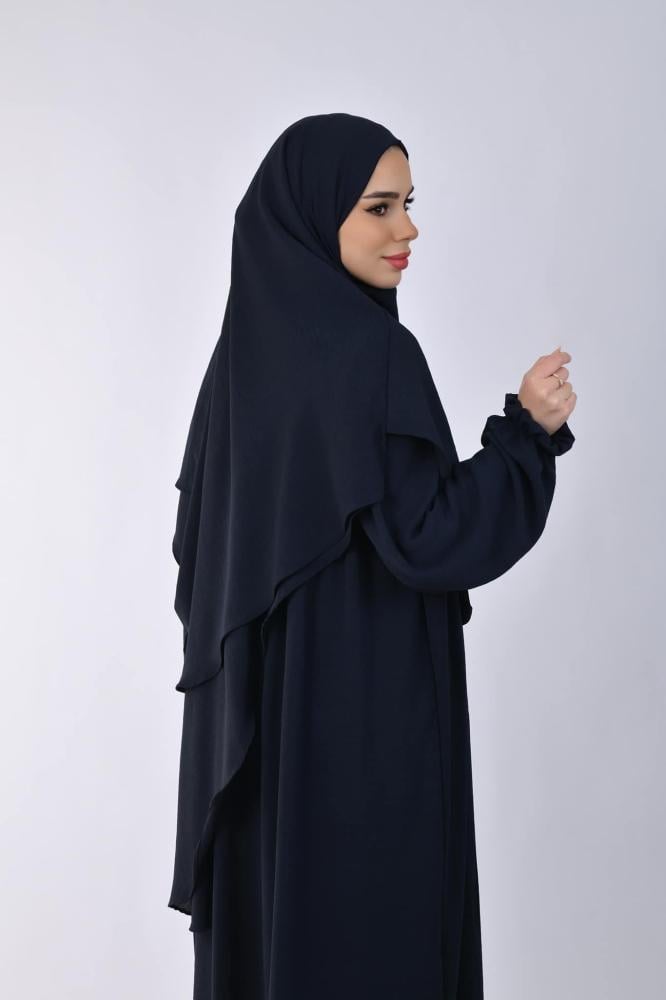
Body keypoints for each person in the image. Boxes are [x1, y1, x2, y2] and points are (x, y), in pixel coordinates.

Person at [167, 113, 576, 1000]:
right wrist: (528, 435)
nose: (408, 229)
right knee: (375, 930)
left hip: (264, 735)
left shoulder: (237, 369)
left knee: (284, 934)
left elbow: (208, 566)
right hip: (365, 719)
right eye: (379, 207)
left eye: (409, 204)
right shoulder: (375, 353)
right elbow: (432, 535)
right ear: (317, 215)